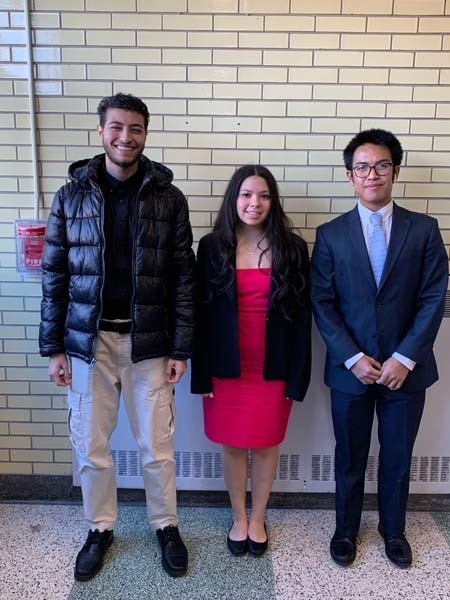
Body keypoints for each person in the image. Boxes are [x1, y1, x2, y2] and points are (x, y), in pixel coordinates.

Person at [39, 93, 195, 580]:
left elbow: (183, 277)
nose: (125, 137)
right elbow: (55, 274)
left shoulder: (169, 197)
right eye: (116, 127)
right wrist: (55, 347)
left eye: (135, 129)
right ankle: (100, 528)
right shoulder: (71, 196)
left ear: (146, 134)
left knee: (157, 445)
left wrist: (181, 346)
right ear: (101, 131)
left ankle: (165, 525)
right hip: (88, 343)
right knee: (91, 446)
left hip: (149, 342)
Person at [311, 128, 448, 569]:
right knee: (349, 456)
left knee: (397, 457)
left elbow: (433, 296)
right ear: (350, 175)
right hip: (350, 370)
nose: (373, 174)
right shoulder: (330, 234)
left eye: (382, 165)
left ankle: (394, 531)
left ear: (396, 170)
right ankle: (345, 530)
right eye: (363, 167)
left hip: (407, 371)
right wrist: (352, 357)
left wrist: (404, 357)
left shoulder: (424, 229)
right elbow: (322, 301)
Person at [191, 165, 311, 557]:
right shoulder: (211, 247)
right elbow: (200, 314)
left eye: (263, 195)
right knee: (231, 443)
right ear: (233, 199)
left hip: (273, 366)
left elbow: (302, 318)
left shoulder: (293, 248)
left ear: (273, 202)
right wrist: (201, 372)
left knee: (265, 444)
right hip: (226, 367)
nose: (254, 203)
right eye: (245, 194)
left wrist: (297, 376)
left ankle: (258, 517)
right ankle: (237, 517)